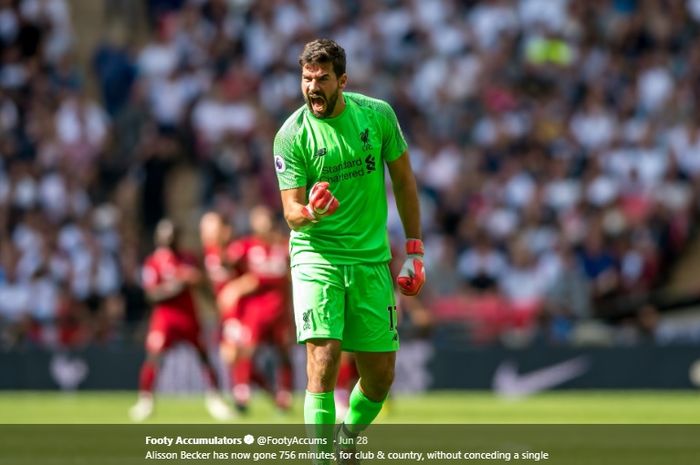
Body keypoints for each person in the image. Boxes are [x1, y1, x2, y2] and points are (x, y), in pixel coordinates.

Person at [273, 39, 425, 463]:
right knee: (322, 358)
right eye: (306, 78)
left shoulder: (377, 116)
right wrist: (310, 211)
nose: (313, 87)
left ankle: (348, 435)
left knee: (379, 378)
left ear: (342, 80)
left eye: (322, 79)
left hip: (371, 261)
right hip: (315, 256)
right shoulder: (291, 135)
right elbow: (290, 212)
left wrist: (414, 250)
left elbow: (405, 183)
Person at [129, 219, 233, 422]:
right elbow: (151, 295)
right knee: (154, 356)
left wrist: (202, 285)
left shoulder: (188, 259)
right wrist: (179, 283)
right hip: (165, 318)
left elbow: (201, 285)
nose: (167, 239)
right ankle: (145, 400)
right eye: (164, 235)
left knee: (204, 357)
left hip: (189, 317)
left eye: (171, 234)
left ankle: (215, 399)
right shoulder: (154, 262)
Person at [215, 205, 294, 414]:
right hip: (256, 311)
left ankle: (284, 395)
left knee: (283, 353)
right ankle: (242, 393)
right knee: (246, 351)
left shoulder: (285, 247)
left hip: (280, 310)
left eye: (264, 219)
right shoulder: (246, 246)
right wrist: (222, 241)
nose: (261, 223)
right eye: (257, 220)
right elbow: (225, 263)